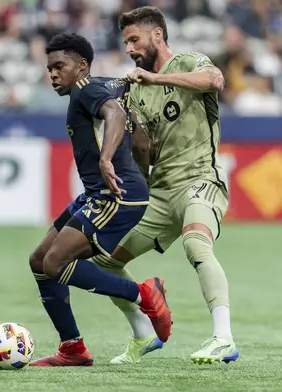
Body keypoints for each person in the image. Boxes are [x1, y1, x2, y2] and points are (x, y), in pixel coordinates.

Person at [27, 33, 172, 367]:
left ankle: (145, 294)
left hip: (114, 195)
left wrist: (107, 159)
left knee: (55, 263)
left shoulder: (86, 90)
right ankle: (73, 349)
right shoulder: (106, 85)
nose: (52, 74)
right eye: (48, 68)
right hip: (103, 193)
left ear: (81, 65)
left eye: (58, 66)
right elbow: (134, 123)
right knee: (39, 260)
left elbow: (116, 117)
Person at [105, 6, 238, 365]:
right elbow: (145, 146)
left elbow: (215, 81)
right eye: (126, 42)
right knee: (103, 259)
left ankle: (223, 338)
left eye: (134, 39)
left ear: (157, 36)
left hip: (201, 179)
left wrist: (157, 80)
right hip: (159, 193)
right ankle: (142, 332)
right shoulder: (137, 91)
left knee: (197, 244)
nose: (130, 48)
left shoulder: (190, 62)